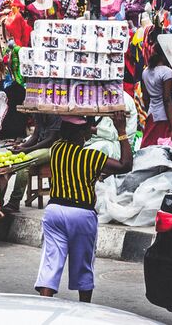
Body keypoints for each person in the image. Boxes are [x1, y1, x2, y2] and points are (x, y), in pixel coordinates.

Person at [34, 115, 133, 302]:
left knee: (50, 263)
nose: (90, 132)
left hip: (54, 211)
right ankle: (85, 309)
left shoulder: (57, 149)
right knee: (83, 266)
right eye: (87, 129)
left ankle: (44, 304)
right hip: (82, 214)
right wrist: (121, 131)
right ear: (81, 134)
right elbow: (125, 165)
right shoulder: (92, 157)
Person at [141, 49, 172, 149]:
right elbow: (167, 99)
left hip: (153, 115)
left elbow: (145, 97)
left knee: (152, 148)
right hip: (169, 117)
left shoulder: (145, 71)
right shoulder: (167, 71)